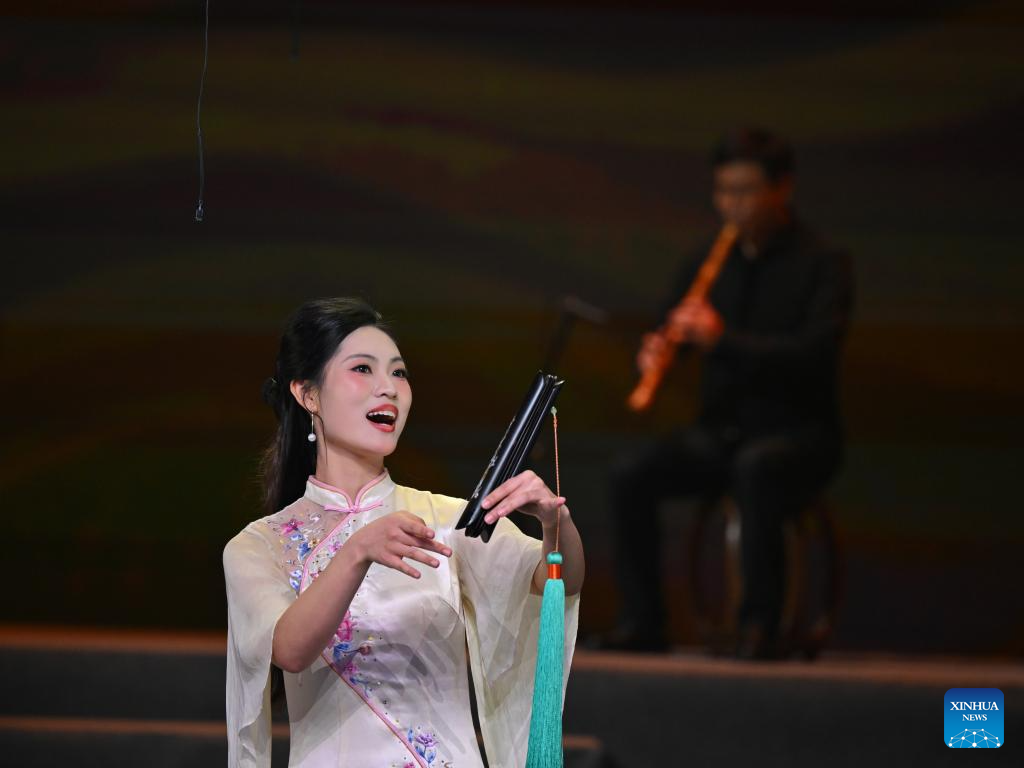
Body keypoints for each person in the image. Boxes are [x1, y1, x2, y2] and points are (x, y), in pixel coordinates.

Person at [223, 297, 584, 767]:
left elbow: (559, 581)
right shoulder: (259, 545)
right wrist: (358, 551)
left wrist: (556, 523)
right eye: (362, 369)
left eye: (399, 373)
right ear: (308, 395)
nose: (388, 388)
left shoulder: (448, 522)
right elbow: (290, 649)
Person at [604, 128, 852, 657]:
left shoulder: (823, 263)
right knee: (630, 473)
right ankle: (643, 622)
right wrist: (658, 352)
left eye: (746, 191)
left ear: (781, 189)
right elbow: (672, 327)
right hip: (722, 433)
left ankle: (759, 627)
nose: (732, 204)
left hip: (799, 435)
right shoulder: (706, 260)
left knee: (757, 468)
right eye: (723, 191)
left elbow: (814, 355)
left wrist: (723, 341)